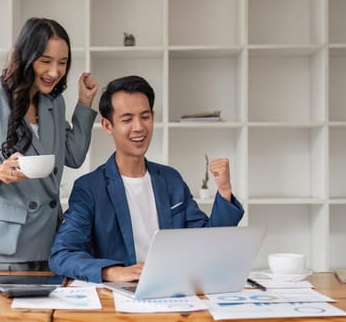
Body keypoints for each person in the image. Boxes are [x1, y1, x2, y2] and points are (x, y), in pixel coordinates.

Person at [49, 75, 244, 283]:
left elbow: (206, 242)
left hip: (174, 290)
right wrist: (113, 272)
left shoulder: (171, 180)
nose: (139, 127)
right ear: (107, 126)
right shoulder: (90, 188)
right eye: (127, 119)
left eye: (145, 116)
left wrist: (224, 191)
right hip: (122, 298)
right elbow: (62, 254)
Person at [0, 18, 98, 271]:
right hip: (5, 248)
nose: (55, 72)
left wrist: (84, 103)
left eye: (62, 63)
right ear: (27, 57)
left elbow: (73, 155)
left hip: (50, 242)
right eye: (46, 61)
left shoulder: (54, 102)